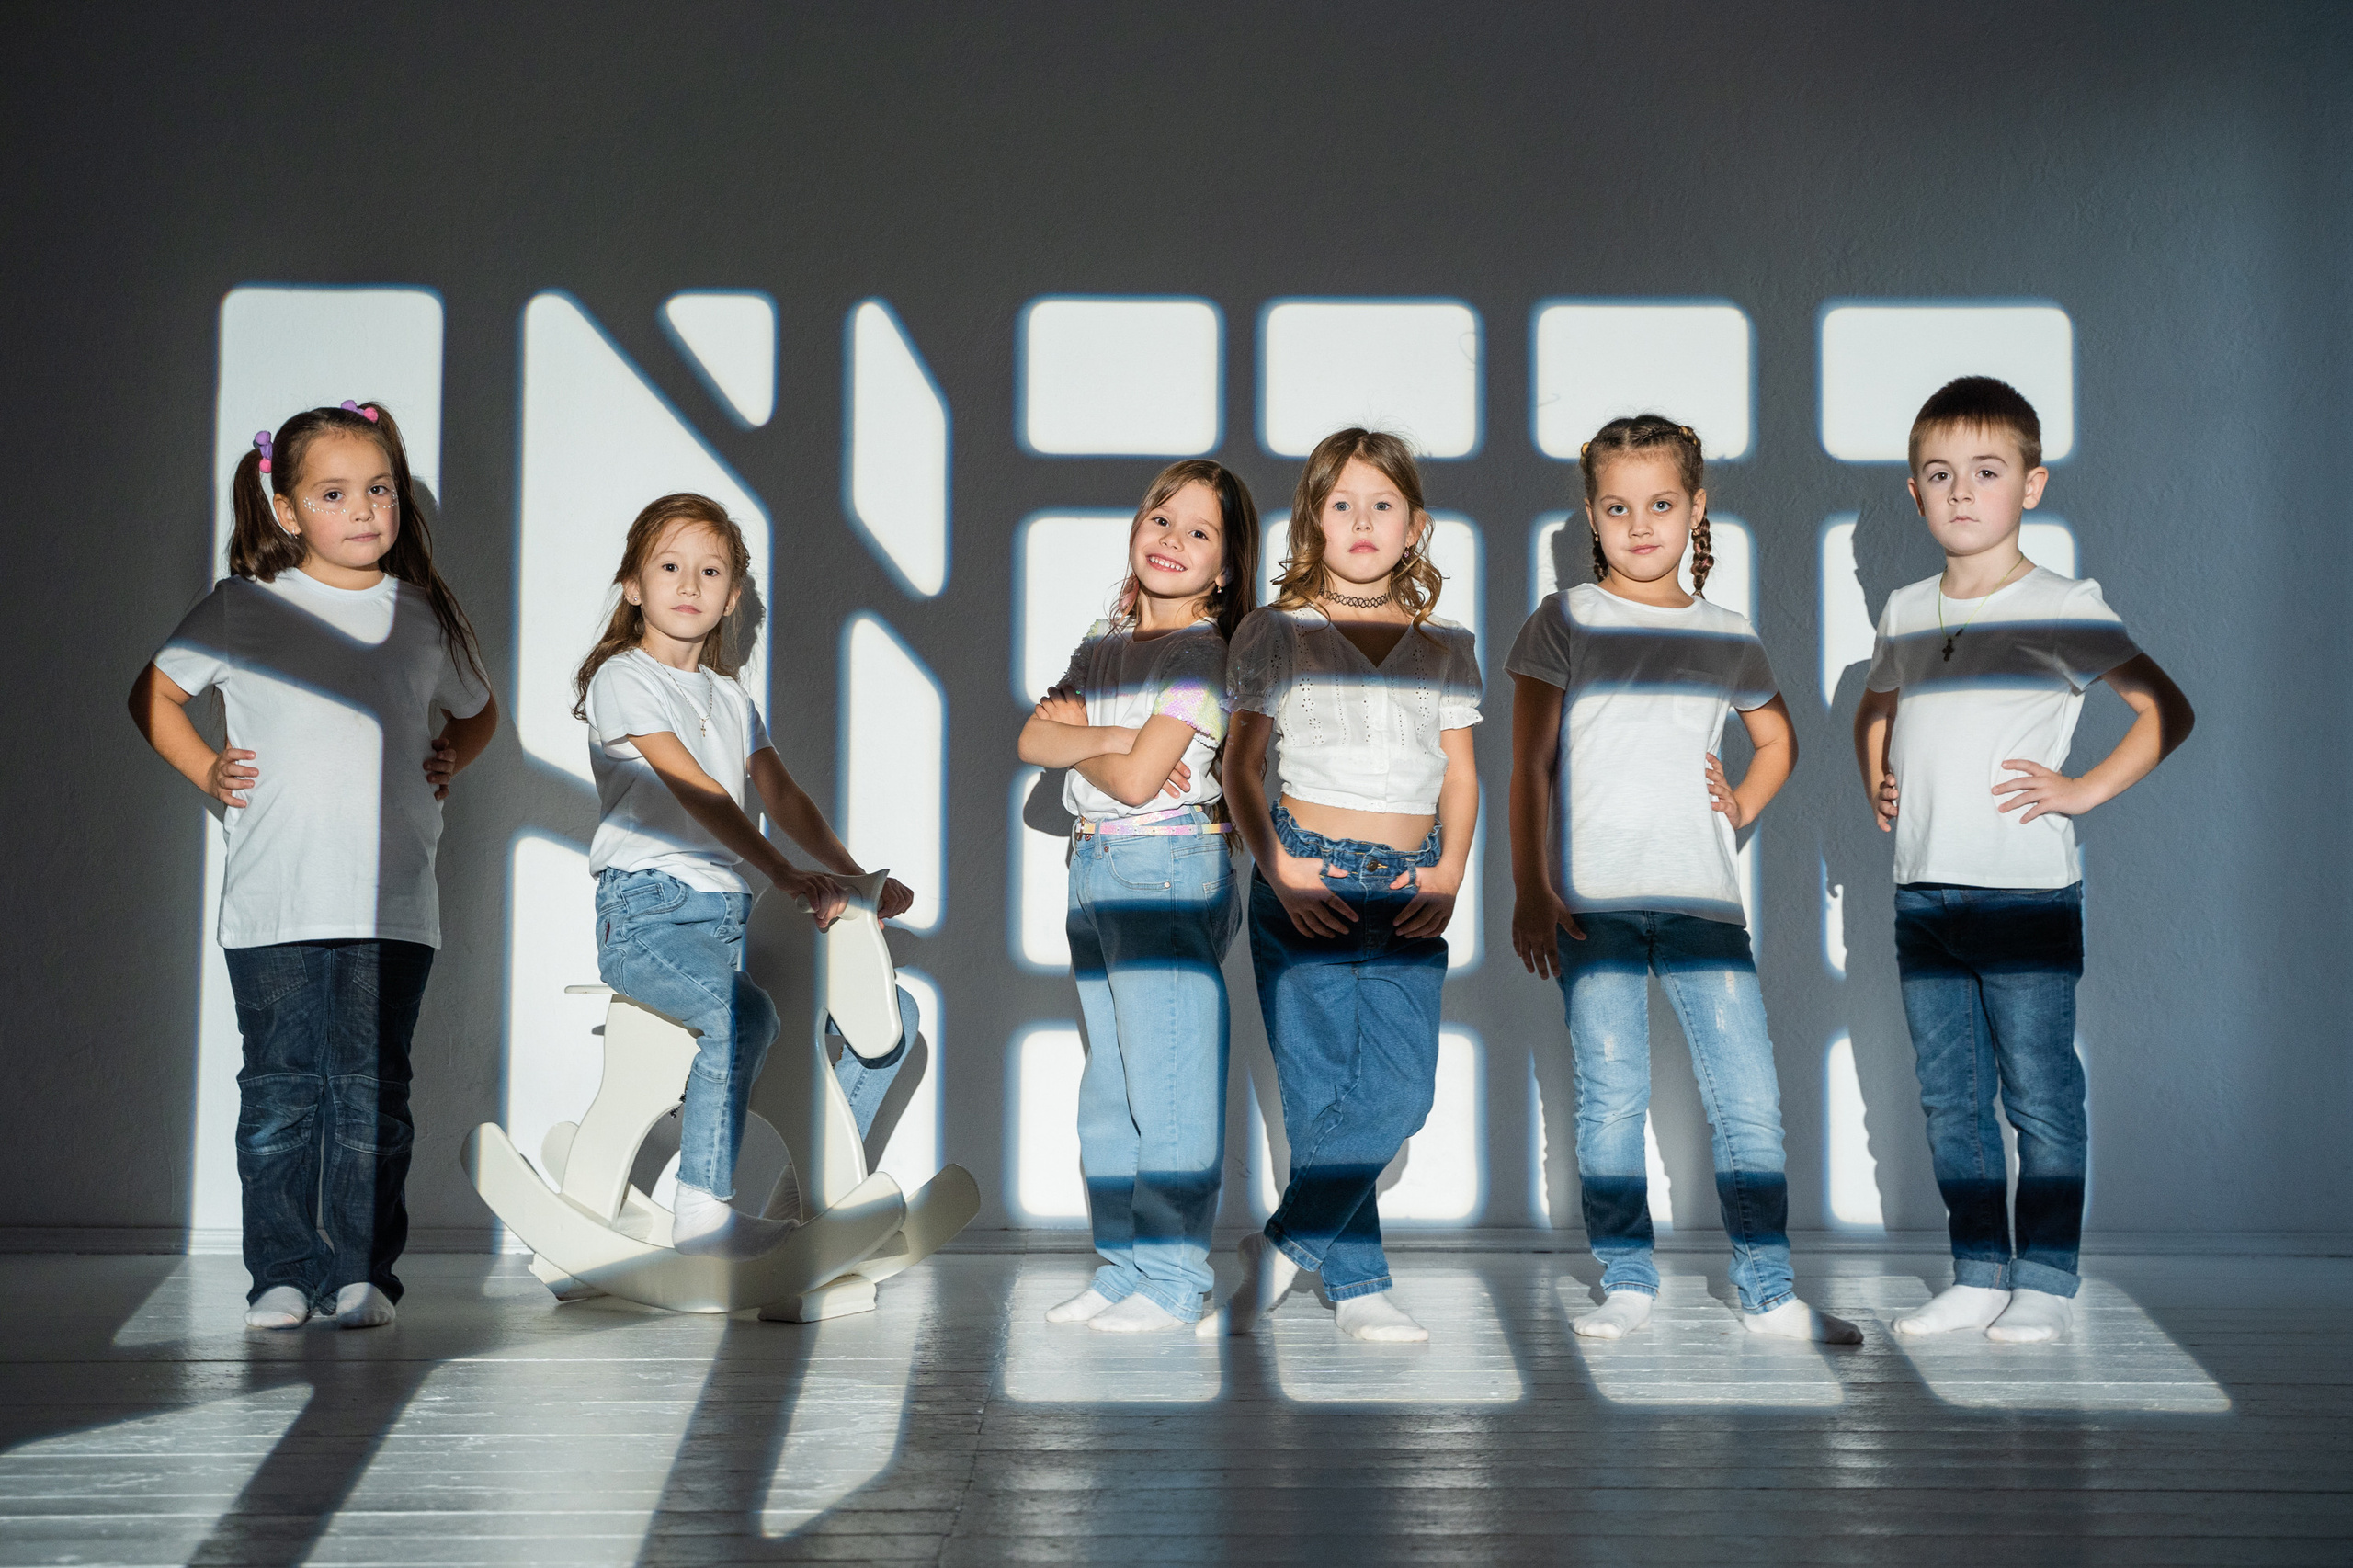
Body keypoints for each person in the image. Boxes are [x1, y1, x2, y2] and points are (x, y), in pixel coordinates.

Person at [131, 400, 497, 1330]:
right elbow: (156, 693)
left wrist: (454, 750)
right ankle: (281, 1273)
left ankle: (361, 1271)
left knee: (375, 1094)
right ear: (287, 510)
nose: (366, 509)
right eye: (336, 493)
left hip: (394, 903)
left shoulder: (420, 614)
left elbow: (479, 708)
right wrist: (207, 767)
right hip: (275, 904)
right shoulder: (242, 607)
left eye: (380, 489)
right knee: (282, 1092)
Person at [1854, 377, 2194, 1344]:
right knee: (1948, 1092)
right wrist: (1878, 776)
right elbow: (1874, 705)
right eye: (1939, 474)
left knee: (2038, 1087)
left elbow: (2164, 709)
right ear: (1914, 494)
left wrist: (2080, 789)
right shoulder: (1907, 607)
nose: (1962, 492)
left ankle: (2044, 1275)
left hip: (2026, 893)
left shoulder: (2061, 603)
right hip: (1922, 890)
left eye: (1986, 471)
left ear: (2030, 486)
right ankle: (1975, 1270)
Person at [1508, 415, 1860, 1345]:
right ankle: (1625, 1276)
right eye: (1617, 507)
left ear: (1695, 507)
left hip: (1704, 900)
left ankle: (1768, 1287)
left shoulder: (1725, 633)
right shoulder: (1564, 620)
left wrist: (1739, 802)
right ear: (1590, 513)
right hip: (1594, 906)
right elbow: (1528, 767)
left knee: (1747, 1096)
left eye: (1660, 503)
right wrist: (1531, 889)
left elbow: (1777, 739)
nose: (1638, 525)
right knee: (1610, 1093)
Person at [575, 493, 913, 1259]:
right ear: (633, 584)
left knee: (877, 1017)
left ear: (731, 598)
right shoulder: (623, 680)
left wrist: (854, 877)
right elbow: (697, 791)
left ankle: (797, 1196)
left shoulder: (730, 697)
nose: (689, 584)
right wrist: (784, 873)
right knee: (744, 1016)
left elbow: (780, 796)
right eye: (669, 567)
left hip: (726, 918)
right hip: (646, 915)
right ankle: (701, 1209)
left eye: (710, 571)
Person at [1215, 428, 1481, 1344]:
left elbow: (1460, 772)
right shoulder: (1275, 632)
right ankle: (1359, 1282)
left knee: (1399, 1092)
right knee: (1320, 1090)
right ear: (1312, 522)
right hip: (1306, 873)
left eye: (1381, 504)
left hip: (1409, 883)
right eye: (1340, 505)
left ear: (1415, 526)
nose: (1361, 520)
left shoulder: (1446, 642)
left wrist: (1449, 870)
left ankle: (1283, 1243)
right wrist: (1280, 869)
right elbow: (1239, 767)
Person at [1017, 461, 1259, 1333]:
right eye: (1162, 519)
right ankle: (1121, 1266)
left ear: (1226, 567)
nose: (1174, 541)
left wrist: (1083, 734)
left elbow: (1138, 778)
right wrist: (1101, 734)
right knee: (1110, 1094)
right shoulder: (1101, 646)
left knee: (1169, 1088)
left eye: (1201, 532)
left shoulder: (1207, 653)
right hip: (1093, 871)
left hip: (1166, 869)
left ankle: (1173, 1277)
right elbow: (1029, 737)